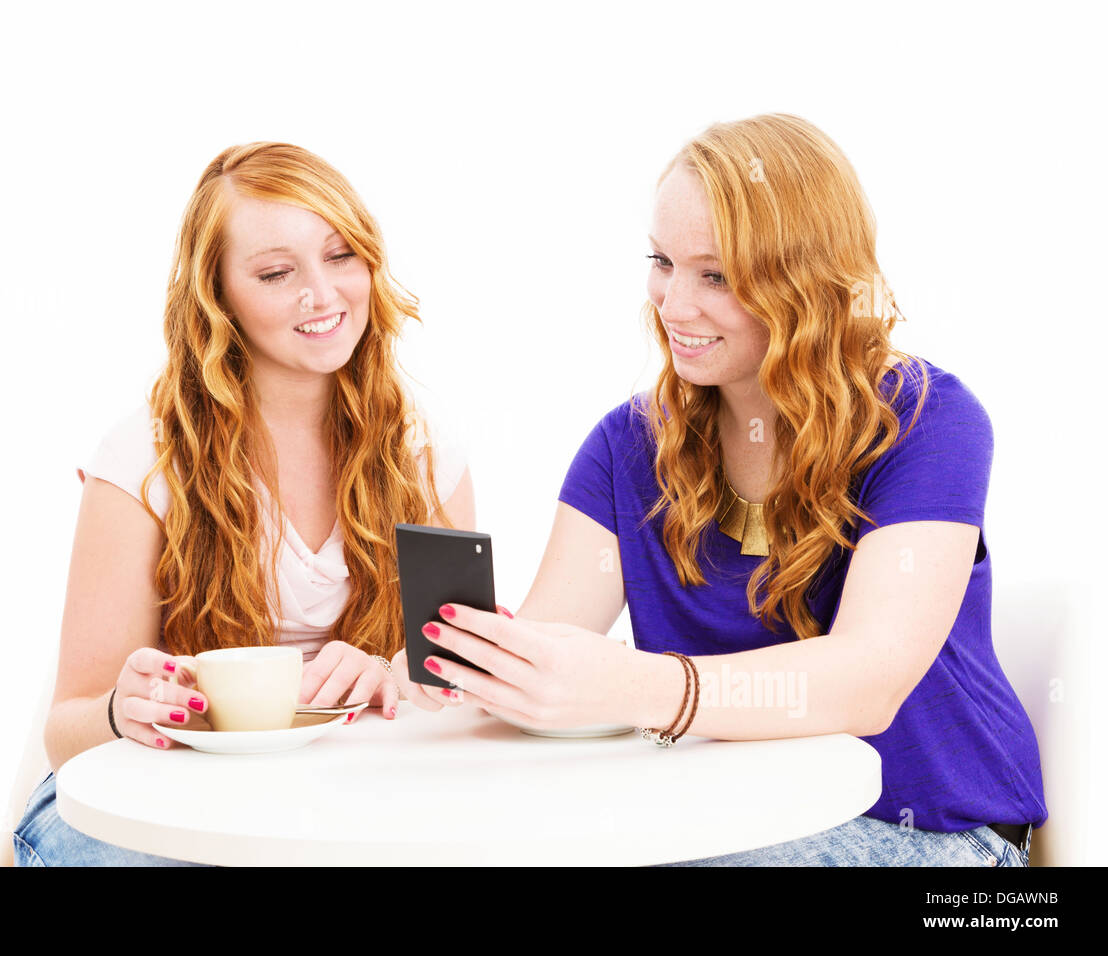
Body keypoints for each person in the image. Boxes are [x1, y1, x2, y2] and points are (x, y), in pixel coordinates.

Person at [411, 114, 1046, 866]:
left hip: (932, 834)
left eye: (715, 275)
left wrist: (637, 686)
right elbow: (551, 654)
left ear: (805, 282)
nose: (673, 305)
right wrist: (436, 668)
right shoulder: (627, 447)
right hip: (725, 822)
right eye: (662, 261)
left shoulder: (925, 419)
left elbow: (866, 681)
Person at [13, 143, 475, 866]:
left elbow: (456, 679)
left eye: (340, 255)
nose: (321, 294)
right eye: (275, 273)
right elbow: (67, 730)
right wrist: (121, 709)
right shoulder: (144, 460)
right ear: (218, 295)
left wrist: (394, 674)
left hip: (340, 799)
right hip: (159, 802)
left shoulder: (422, 448)